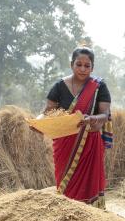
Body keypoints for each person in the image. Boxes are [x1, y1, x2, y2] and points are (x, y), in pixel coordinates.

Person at [39, 47, 111, 209]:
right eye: (79, 64)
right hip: (65, 143)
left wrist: (91, 118)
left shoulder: (99, 87)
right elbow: (48, 112)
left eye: (87, 66)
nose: (83, 69)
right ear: (72, 64)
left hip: (89, 143)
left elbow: (105, 114)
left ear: (92, 67)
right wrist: (38, 124)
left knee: (89, 183)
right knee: (65, 184)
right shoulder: (59, 86)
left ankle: (90, 218)